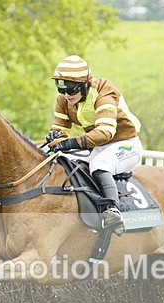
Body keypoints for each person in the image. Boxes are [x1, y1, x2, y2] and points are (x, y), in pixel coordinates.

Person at [46, 55, 143, 232]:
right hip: (99, 147)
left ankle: (113, 211)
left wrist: (68, 143)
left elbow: (105, 133)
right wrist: (54, 136)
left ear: (85, 84)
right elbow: (60, 130)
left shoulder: (104, 91)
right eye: (61, 89)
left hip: (126, 144)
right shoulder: (64, 99)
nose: (66, 95)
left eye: (71, 89)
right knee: (68, 163)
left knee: (100, 164)